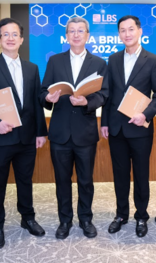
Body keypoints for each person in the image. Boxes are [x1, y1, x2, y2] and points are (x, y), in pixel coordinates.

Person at [0, 18, 48, 250]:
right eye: (5, 34)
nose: (10, 38)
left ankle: (28, 218)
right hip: (0, 137)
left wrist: (40, 132)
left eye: (15, 34)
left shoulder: (32, 68)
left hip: (26, 138)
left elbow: (36, 103)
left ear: (22, 39)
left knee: (25, 181)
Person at [40, 17, 108, 239]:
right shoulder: (54, 61)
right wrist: (48, 98)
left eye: (81, 31)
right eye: (72, 31)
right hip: (60, 132)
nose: (76, 34)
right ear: (66, 36)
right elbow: (42, 93)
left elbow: (104, 94)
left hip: (85, 132)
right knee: (62, 180)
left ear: (88, 35)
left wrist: (87, 102)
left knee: (86, 180)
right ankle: (65, 220)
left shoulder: (99, 63)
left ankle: (86, 219)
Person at [101, 15, 156, 238]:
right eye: (122, 30)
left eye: (131, 29)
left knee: (140, 174)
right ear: (119, 34)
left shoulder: (153, 60)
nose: (127, 34)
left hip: (140, 128)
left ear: (139, 31)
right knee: (120, 174)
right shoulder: (113, 59)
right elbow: (108, 94)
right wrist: (104, 122)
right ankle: (121, 215)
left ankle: (141, 215)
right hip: (117, 128)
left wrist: (146, 114)